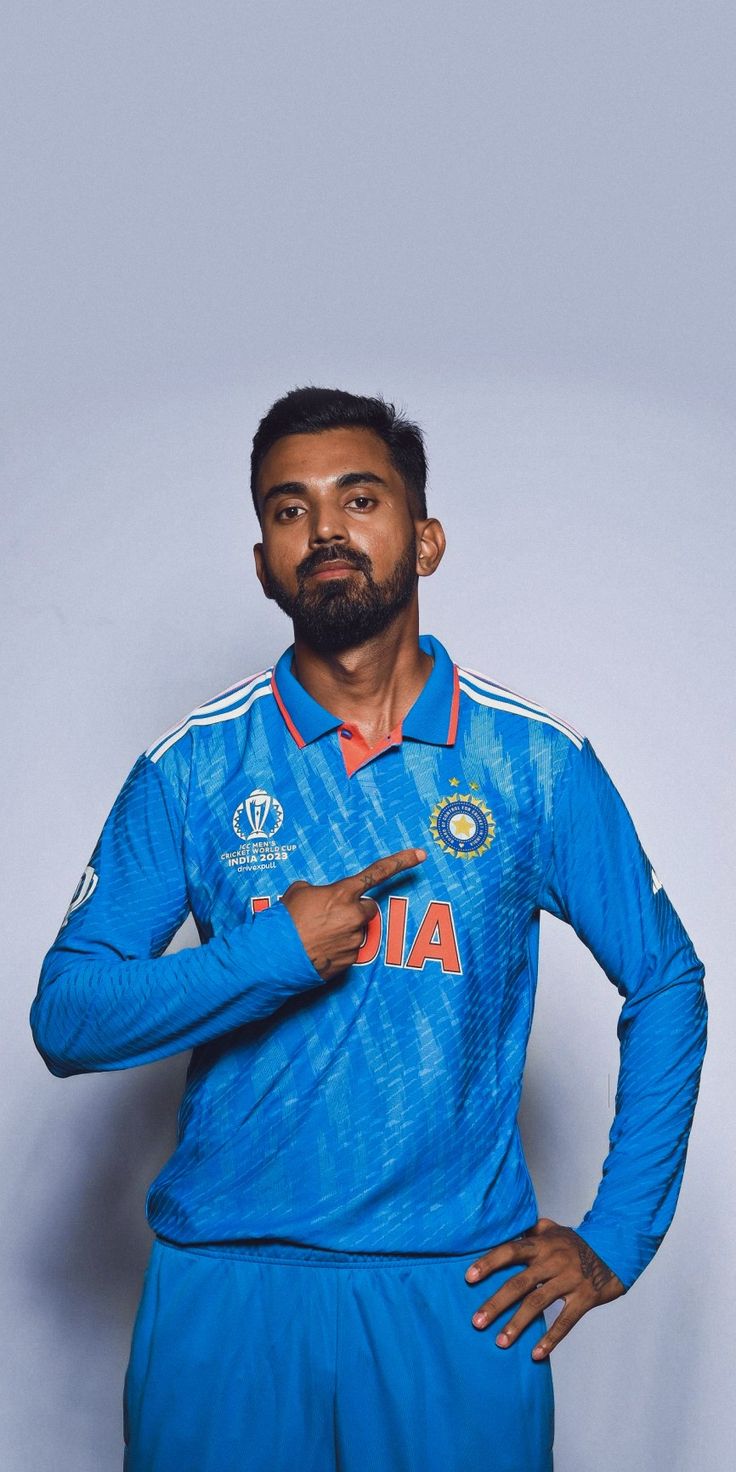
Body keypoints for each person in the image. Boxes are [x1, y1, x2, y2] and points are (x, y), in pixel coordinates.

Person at [30, 386, 707, 1471]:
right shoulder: (194, 767)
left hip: (454, 1294)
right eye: (288, 509)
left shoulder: (531, 761)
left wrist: (616, 1234)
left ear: (424, 539)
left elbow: (665, 979)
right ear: (262, 561)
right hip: (227, 1293)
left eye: (360, 497)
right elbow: (67, 1016)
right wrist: (272, 953)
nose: (326, 529)